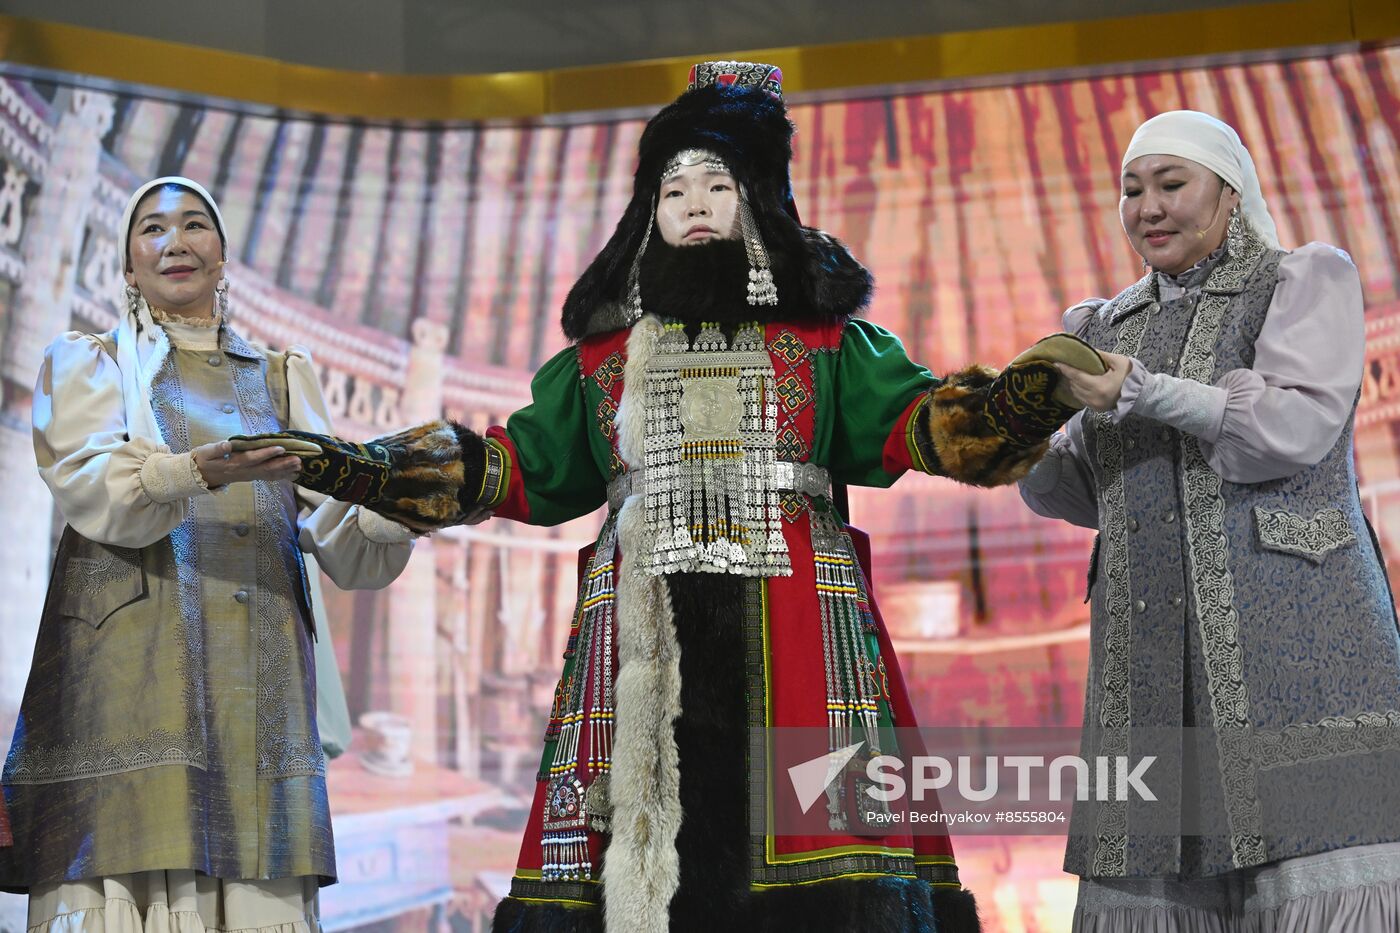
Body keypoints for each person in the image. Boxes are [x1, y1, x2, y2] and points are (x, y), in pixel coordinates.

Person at [250, 63, 1093, 933]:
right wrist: (353, 466)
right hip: (638, 632)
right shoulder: (603, 359)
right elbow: (516, 468)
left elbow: (930, 426)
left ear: (758, 200)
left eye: (717, 185)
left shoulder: (828, 342)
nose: (692, 203)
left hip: (798, 634)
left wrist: (1032, 393)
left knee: (824, 885)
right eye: (672, 188)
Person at [0, 177, 416, 933]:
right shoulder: (90, 364)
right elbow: (94, 488)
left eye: (195, 225)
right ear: (128, 265)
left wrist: (402, 511)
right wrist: (195, 470)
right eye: (151, 230)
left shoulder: (282, 380)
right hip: (131, 680)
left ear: (223, 256)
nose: (175, 242)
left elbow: (337, 537)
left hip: (258, 693)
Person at [1019, 110, 1400, 929]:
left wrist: (1142, 391)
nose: (1148, 207)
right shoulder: (1101, 327)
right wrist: (1013, 443)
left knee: (1315, 862)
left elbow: (1289, 429)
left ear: (1229, 193)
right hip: (1149, 655)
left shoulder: (1303, 280)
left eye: (1170, 184)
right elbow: (1089, 493)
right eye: (1131, 190)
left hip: (1298, 643)